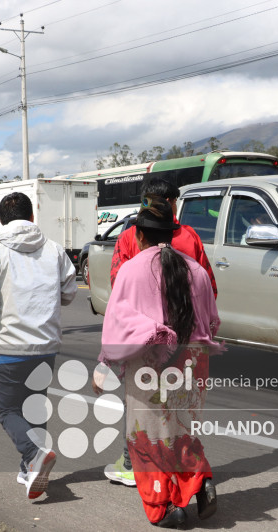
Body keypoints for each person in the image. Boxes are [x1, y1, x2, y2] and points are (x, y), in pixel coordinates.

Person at [94, 197, 220, 528]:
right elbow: (212, 321)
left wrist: (104, 364)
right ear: (171, 233)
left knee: (147, 438)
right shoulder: (196, 270)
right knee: (181, 430)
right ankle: (198, 480)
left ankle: (164, 507)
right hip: (193, 361)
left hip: (150, 363)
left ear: (139, 235)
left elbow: (117, 324)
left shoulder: (131, 271)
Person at [0, 192, 77, 500]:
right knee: (35, 406)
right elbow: (69, 291)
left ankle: (33, 455)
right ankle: (28, 469)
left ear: (2, 221)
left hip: (9, 346)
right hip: (45, 346)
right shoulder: (54, 249)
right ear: (32, 217)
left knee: (7, 411)